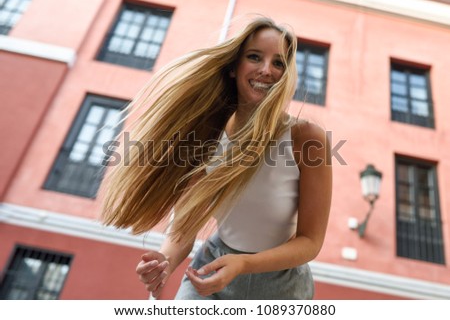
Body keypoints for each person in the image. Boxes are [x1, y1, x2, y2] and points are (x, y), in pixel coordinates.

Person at [101, 17, 332, 300]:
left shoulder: (307, 138)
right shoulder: (208, 134)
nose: (265, 70)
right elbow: (185, 227)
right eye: (255, 57)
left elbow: (311, 241)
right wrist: (165, 260)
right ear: (234, 67)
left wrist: (244, 264)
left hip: (281, 286)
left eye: (278, 63)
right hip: (212, 268)